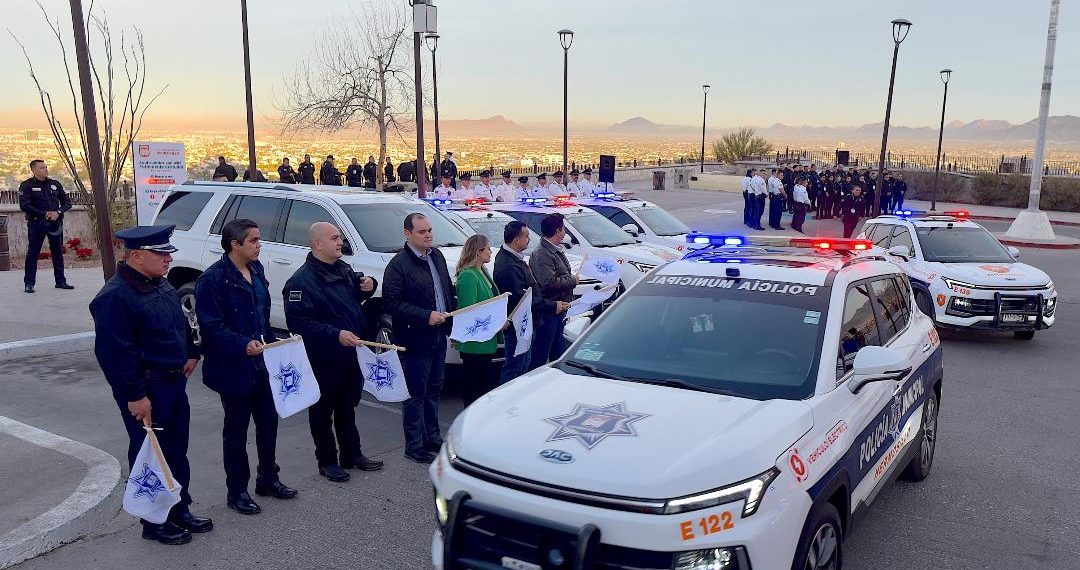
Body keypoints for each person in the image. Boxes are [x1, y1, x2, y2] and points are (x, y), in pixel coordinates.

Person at [89, 224, 212, 545]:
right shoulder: (115, 297)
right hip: (146, 389)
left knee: (176, 450)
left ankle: (179, 507)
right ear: (137, 256)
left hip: (173, 383)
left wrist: (191, 352)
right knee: (151, 455)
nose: (169, 259)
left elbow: (181, 322)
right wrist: (135, 395)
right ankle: (154, 521)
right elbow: (114, 353)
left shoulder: (159, 284)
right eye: (162, 254)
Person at [194, 219, 297, 515]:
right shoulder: (213, 280)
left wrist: (276, 341)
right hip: (233, 366)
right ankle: (237, 491)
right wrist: (242, 343)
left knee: (268, 423)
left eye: (258, 239)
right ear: (234, 244)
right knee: (236, 430)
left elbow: (260, 317)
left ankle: (268, 478)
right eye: (252, 240)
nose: (259, 245)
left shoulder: (256, 270)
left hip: (263, 362)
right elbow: (211, 327)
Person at [283, 222, 384, 480]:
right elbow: (299, 323)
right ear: (317, 243)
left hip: (349, 352)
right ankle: (327, 460)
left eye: (339, 238)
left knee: (347, 405)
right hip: (322, 356)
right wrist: (335, 334)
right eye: (334, 238)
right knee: (322, 410)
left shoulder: (343, 269)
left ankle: (352, 453)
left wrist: (368, 286)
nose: (340, 242)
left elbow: (351, 300)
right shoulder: (301, 282)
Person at [382, 213, 455, 464]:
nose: (428, 235)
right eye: (422, 232)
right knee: (415, 393)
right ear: (408, 234)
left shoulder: (437, 256)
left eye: (430, 230)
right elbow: (391, 302)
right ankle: (413, 444)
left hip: (439, 334)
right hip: (415, 337)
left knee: (434, 389)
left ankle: (432, 436)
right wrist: (425, 316)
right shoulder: (399, 265)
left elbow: (445, 289)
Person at [453, 234, 504, 406]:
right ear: (477, 252)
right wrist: (497, 321)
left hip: (485, 340)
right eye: (488, 249)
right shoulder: (468, 276)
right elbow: (469, 312)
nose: (490, 252)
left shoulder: (482, 271)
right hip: (475, 342)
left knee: (483, 386)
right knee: (474, 387)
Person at [494, 221, 545, 383]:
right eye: (527, 236)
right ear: (517, 240)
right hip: (518, 325)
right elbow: (520, 298)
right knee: (516, 367)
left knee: (522, 365)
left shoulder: (513, 258)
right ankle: (506, 401)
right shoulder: (509, 265)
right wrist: (550, 305)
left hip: (526, 323)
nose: (529, 240)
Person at [528, 214, 576, 369]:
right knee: (540, 356)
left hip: (559, 310)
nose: (564, 233)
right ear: (558, 231)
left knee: (557, 353)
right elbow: (548, 283)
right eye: (563, 229)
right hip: (548, 312)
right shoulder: (543, 254)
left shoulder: (554, 250)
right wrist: (572, 281)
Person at [20, 159, 73, 293]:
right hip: (36, 223)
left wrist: (58, 212)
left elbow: (67, 202)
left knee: (57, 252)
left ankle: (60, 281)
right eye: (42, 168)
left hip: (55, 223)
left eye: (45, 167)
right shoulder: (27, 185)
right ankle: (29, 283)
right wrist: (44, 214)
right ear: (34, 170)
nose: (45, 169)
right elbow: (24, 205)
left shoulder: (54, 184)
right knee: (33, 252)